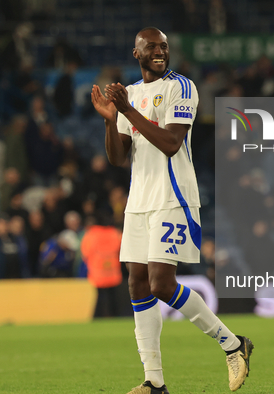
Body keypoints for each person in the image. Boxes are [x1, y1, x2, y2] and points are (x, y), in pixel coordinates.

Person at [91, 27, 253, 394]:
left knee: (161, 284)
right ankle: (154, 382)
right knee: (136, 283)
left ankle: (232, 343)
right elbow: (118, 158)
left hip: (173, 197)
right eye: (152, 47)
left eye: (164, 47)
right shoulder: (129, 93)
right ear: (137, 53)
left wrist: (126, 110)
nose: (160, 52)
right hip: (139, 201)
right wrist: (108, 119)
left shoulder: (181, 88)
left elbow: (171, 142)